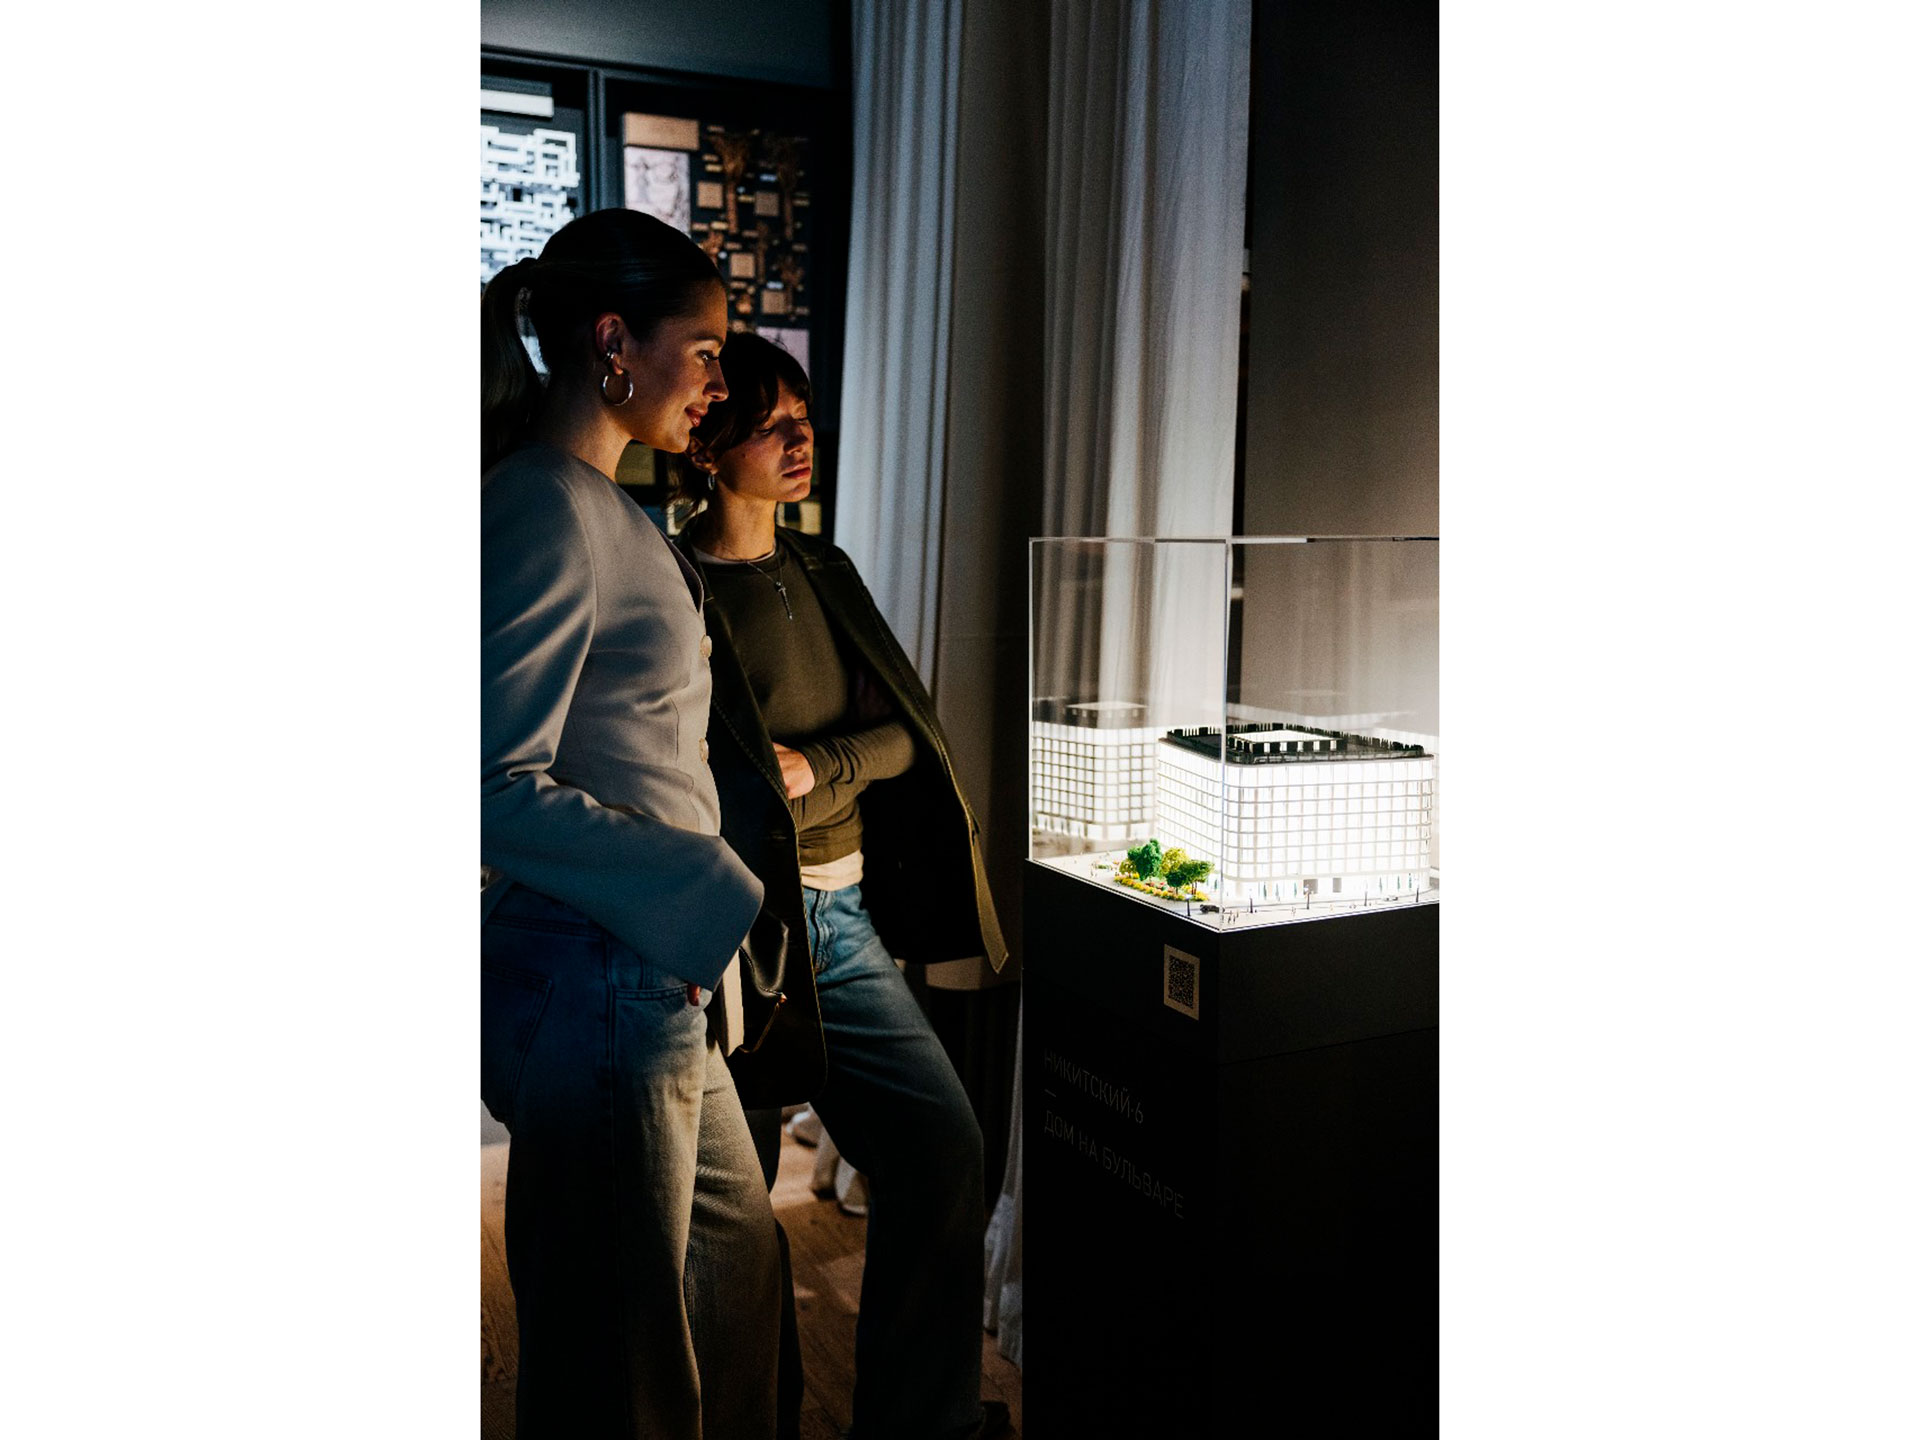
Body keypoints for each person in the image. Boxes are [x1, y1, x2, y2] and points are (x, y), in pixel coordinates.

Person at [673, 332, 1012, 1440]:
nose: (799, 437)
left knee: (943, 1150)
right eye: (770, 423)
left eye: (805, 417)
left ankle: (923, 1425)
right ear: (708, 447)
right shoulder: (675, 584)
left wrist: (819, 766)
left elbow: (910, 736)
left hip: (844, 919)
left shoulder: (823, 570)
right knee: (738, 1222)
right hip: (737, 929)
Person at [480, 210, 780, 1440]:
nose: (717, 381)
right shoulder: (542, 505)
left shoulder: (604, 506)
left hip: (648, 979)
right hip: (602, 977)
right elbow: (484, 781)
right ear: (614, 342)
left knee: (735, 1298)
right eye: (703, 351)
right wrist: (698, 882)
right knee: (621, 1373)